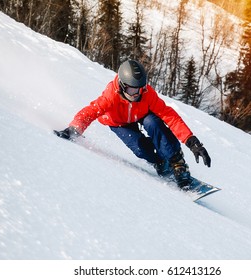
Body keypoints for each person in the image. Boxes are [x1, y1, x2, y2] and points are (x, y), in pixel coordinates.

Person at [54, 59, 211, 188]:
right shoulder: (111, 97)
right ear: (122, 86)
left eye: (140, 89)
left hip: (141, 114)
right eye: (131, 90)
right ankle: (161, 162)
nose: (136, 94)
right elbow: (90, 111)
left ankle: (177, 163)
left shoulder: (146, 94)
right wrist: (74, 129)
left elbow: (169, 115)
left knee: (153, 123)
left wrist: (192, 142)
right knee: (139, 147)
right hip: (119, 122)